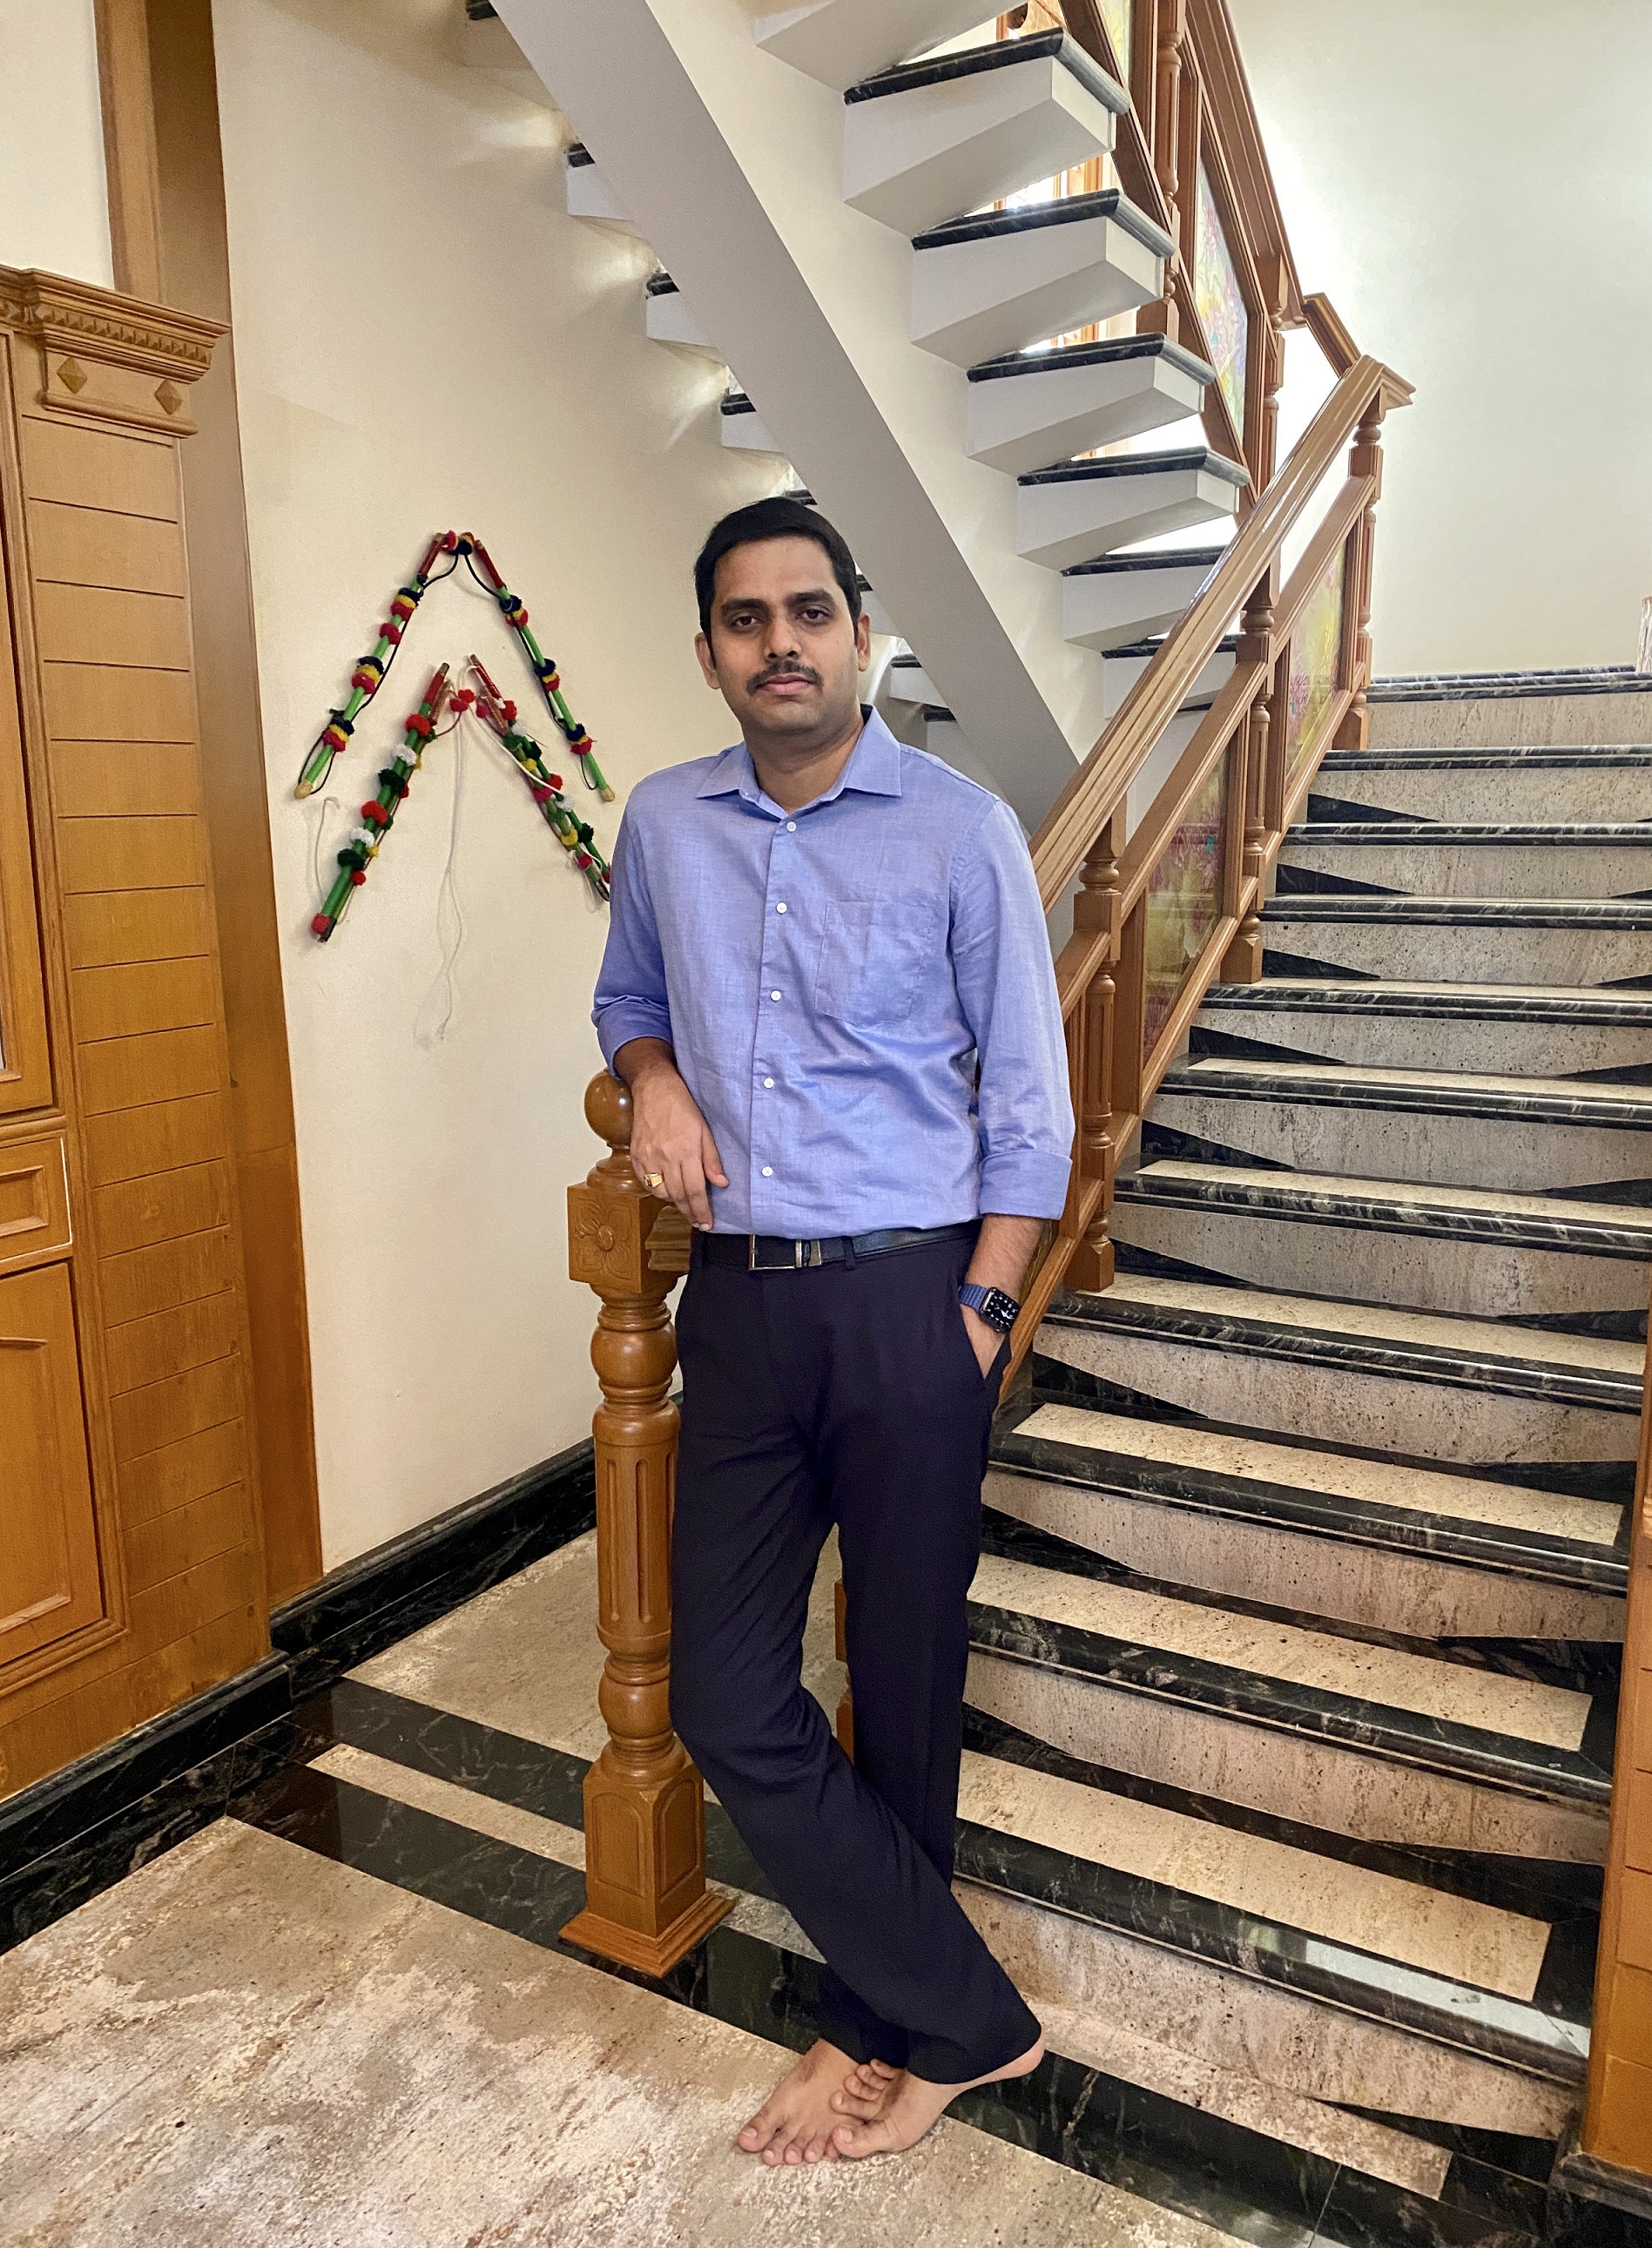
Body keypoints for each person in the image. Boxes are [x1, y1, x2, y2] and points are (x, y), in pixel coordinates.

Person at [591, 496, 1074, 2164]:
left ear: (862, 635)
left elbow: (1030, 1107)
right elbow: (627, 994)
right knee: (726, 1691)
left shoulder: (962, 828)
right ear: (710, 651)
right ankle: (971, 2016)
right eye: (747, 618)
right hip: (738, 1303)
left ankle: (880, 2023)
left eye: (810, 612)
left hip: (911, 1301)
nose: (780, 643)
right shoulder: (665, 822)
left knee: (907, 1679)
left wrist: (980, 1317)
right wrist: (652, 1079)